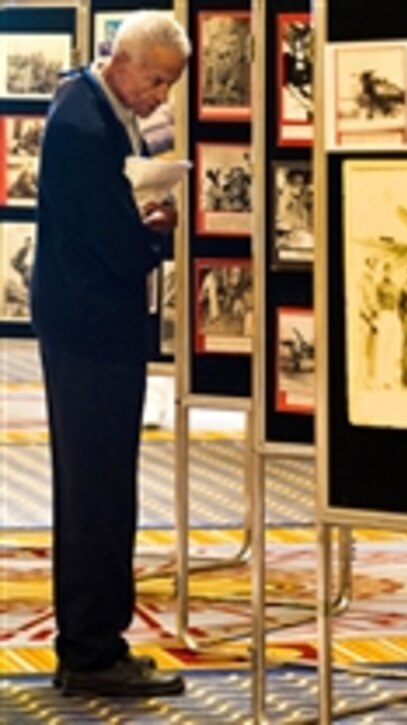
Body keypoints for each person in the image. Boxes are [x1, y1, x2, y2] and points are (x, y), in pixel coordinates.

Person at [30, 11, 190, 697]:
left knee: (96, 486)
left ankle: (96, 639)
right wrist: (157, 231)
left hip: (83, 325)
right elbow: (119, 251)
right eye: (155, 81)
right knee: (97, 492)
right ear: (122, 62)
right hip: (91, 329)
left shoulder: (82, 95)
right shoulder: (87, 127)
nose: (160, 96)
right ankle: (93, 651)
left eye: (169, 85)